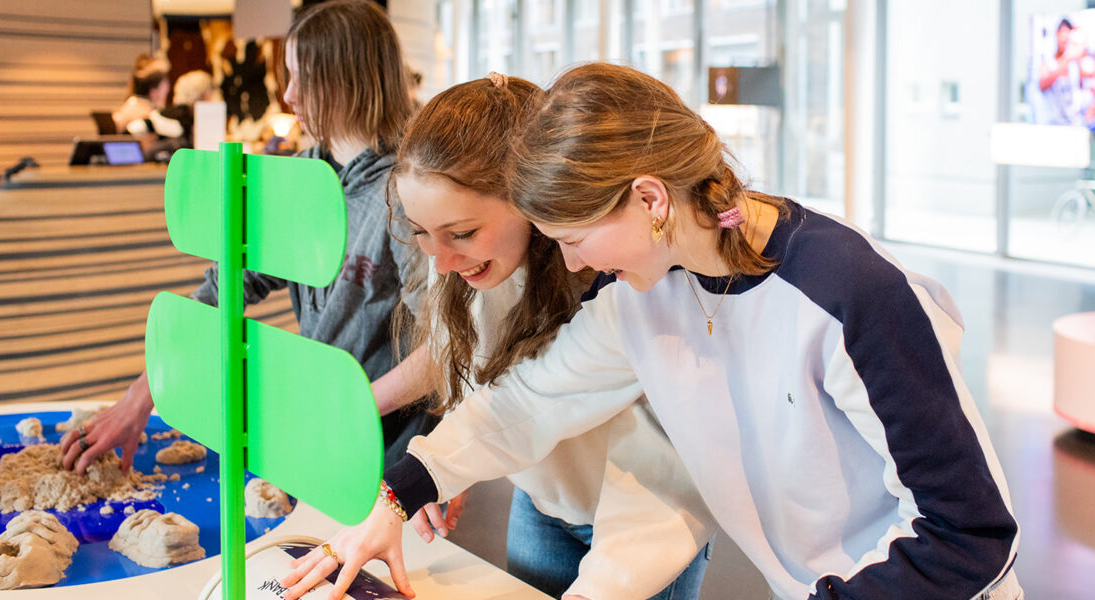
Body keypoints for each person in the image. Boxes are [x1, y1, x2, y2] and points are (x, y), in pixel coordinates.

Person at [283, 63, 1023, 600]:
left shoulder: (850, 291)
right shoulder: (644, 296)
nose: (569, 262)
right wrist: (398, 493)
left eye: (573, 238)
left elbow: (970, 535)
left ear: (648, 199)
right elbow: (527, 403)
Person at [306, 74, 714, 600]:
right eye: (420, 232)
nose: (443, 260)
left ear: (529, 197)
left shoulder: (629, 281)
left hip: (644, 521)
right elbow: (495, 389)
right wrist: (433, 474)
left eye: (463, 233)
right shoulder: (456, 257)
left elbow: (656, 477)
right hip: (542, 501)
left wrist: (432, 471)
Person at [62, 0, 431, 476]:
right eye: (288, 76)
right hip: (314, 438)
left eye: (304, 78)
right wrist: (138, 400)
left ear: (347, 80)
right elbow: (224, 290)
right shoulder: (299, 178)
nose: (289, 96)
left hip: (387, 452)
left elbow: (443, 345)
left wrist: (349, 407)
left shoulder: (407, 190)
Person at [113, 64, 170, 134]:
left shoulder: (134, 103)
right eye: (164, 90)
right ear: (153, 92)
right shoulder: (144, 113)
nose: (167, 93)